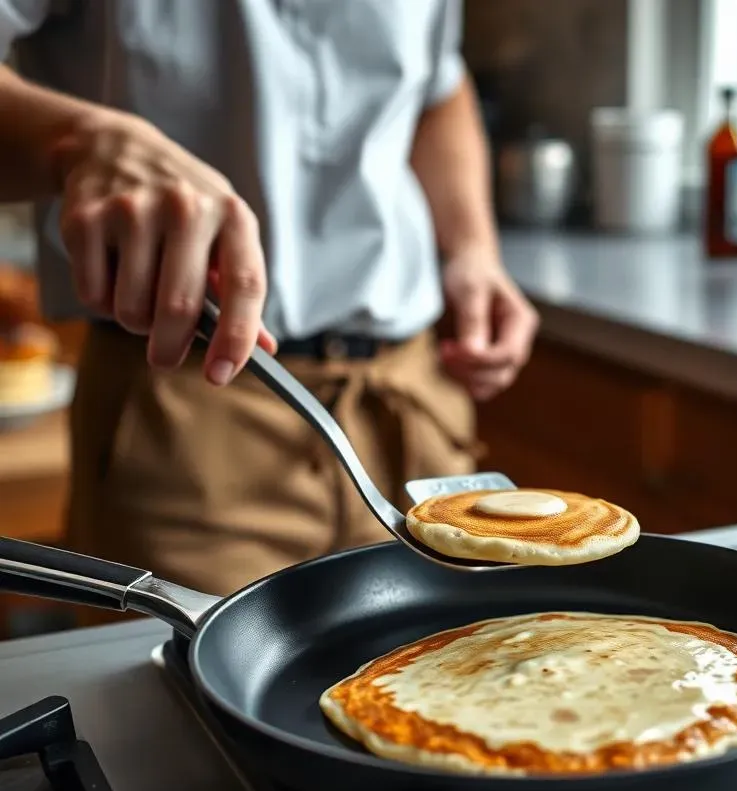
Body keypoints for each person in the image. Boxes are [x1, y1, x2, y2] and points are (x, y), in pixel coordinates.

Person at [0, 0, 537, 606]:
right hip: (189, 414)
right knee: (186, 694)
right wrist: (78, 141)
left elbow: (439, 88)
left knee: (455, 680)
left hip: (413, 398)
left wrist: (473, 249)